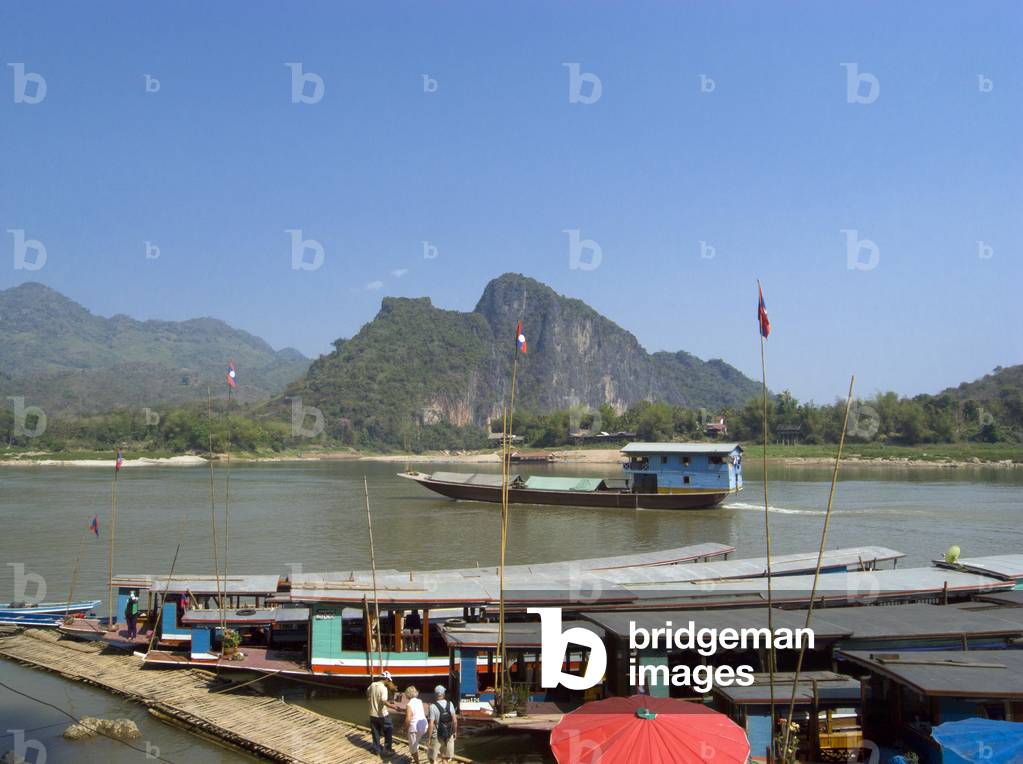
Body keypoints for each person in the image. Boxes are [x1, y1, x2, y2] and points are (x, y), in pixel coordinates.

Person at [367, 671, 397, 757]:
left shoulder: (372, 685)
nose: (390, 682)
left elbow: (368, 693)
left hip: (372, 713)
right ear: (387, 679)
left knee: (375, 731)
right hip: (382, 714)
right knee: (388, 730)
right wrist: (393, 707)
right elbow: (384, 701)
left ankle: (376, 749)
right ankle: (388, 750)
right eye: (389, 680)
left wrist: (371, 700)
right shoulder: (383, 688)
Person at [426, 684, 458, 764]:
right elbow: (455, 721)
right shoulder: (450, 704)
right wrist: (454, 732)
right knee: (445, 758)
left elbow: (431, 724)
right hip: (448, 734)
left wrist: (429, 738)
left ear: (435, 694)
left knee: (432, 757)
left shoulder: (432, 706)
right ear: (443, 694)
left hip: (436, 735)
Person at [404, 686, 428, 763]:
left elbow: (408, 719)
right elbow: (416, 711)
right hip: (424, 726)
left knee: (412, 748)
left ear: (408, 694)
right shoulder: (420, 701)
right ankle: (417, 747)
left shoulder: (409, 704)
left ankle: (417, 762)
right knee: (416, 741)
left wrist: (405, 728)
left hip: (414, 728)